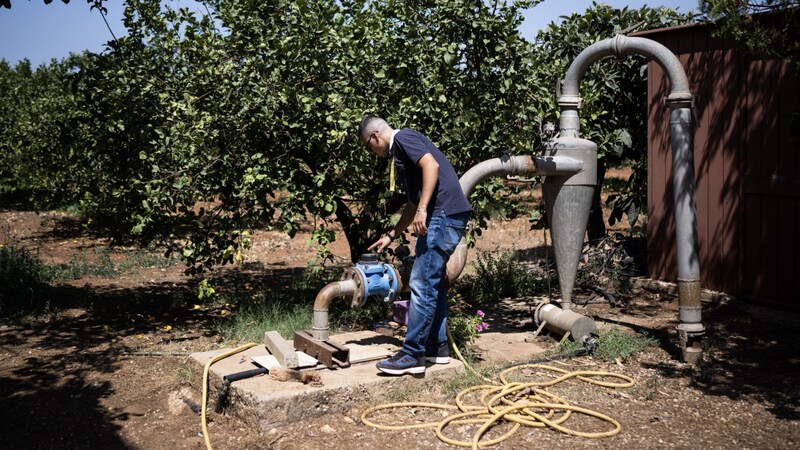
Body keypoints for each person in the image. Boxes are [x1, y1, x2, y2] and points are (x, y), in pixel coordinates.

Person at [358, 115, 472, 375]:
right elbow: (412, 203)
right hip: (442, 215)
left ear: (375, 137)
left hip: (441, 215)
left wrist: (423, 210)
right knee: (433, 282)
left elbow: (431, 166)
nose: (372, 152)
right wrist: (392, 234)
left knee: (421, 282)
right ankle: (436, 347)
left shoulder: (404, 138)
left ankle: (412, 356)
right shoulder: (402, 155)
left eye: (368, 146)